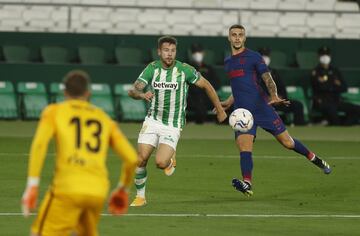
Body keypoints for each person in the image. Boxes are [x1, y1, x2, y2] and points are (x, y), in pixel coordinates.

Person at [21, 70, 138, 236]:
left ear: (64, 92)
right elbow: (132, 159)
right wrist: (122, 189)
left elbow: (39, 144)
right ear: (88, 93)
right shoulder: (104, 118)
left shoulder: (54, 111)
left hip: (67, 189)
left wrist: (32, 185)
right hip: (97, 192)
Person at [221, 25, 331, 196]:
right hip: (243, 113)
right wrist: (228, 101)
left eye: (240, 35)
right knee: (244, 147)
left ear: (245, 38)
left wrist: (273, 95)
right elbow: (239, 86)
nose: (237, 38)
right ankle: (247, 184)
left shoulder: (254, 57)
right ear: (229, 38)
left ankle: (314, 158)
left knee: (288, 143)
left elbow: (267, 78)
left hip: (261, 107)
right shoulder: (228, 62)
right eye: (233, 35)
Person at [128, 35, 227, 206]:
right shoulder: (152, 69)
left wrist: (219, 109)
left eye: (172, 51)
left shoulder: (185, 70)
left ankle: (170, 156)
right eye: (166, 50)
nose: (169, 54)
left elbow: (207, 85)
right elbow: (133, 90)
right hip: (152, 120)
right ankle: (140, 197)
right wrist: (142, 94)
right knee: (141, 159)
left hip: (172, 125)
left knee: (160, 163)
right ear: (159, 52)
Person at [311, 46, 360, 126]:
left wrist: (331, 85)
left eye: (327, 55)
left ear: (330, 56)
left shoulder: (335, 71)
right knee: (333, 114)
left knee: (357, 109)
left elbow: (344, 87)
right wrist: (334, 85)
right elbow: (319, 87)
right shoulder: (315, 72)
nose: (325, 57)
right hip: (323, 102)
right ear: (319, 57)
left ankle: (345, 125)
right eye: (322, 55)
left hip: (336, 100)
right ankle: (335, 125)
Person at [258, 47, 306, 125]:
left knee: (298, 105)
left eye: (267, 55)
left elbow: (282, 88)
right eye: (263, 55)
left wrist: (279, 98)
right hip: (262, 103)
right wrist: (267, 98)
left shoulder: (273, 72)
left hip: (277, 101)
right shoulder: (254, 72)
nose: (265, 58)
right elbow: (255, 89)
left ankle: (300, 126)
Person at [187, 43, 221, 124]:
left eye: (199, 52)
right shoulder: (187, 68)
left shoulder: (208, 68)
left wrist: (206, 87)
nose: (197, 54)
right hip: (193, 100)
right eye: (195, 52)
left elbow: (217, 83)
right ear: (192, 54)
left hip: (207, 98)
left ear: (203, 53)